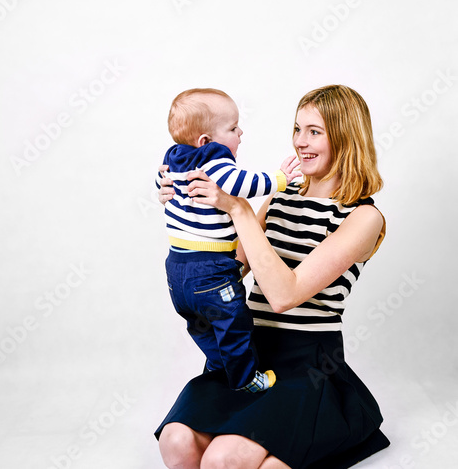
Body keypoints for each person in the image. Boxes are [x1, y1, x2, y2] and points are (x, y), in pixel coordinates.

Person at [155, 85, 390, 468]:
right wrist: (184, 198)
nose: (301, 142)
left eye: (315, 131)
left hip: (307, 364)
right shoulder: (280, 198)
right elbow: (230, 268)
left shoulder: (363, 217)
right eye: (297, 129)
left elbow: (284, 294)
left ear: (346, 136)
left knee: (224, 458)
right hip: (249, 352)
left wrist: (239, 210)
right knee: (176, 441)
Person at [158, 88, 297, 393]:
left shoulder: (173, 156)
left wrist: (162, 188)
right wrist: (279, 179)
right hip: (210, 269)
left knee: (199, 324)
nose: (241, 132)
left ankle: (220, 365)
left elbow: (162, 179)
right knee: (234, 325)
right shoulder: (214, 157)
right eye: (233, 128)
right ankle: (246, 379)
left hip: (176, 270)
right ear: (206, 141)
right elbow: (241, 183)